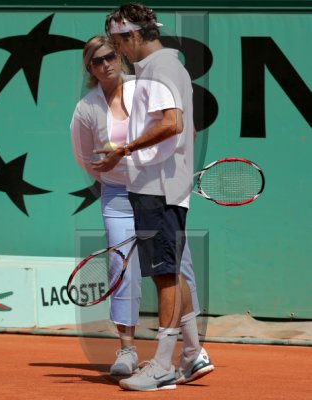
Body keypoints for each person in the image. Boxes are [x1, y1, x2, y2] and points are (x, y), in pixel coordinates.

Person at [91, 3, 214, 391]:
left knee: (164, 275)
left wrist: (125, 150)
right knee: (172, 270)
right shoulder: (163, 69)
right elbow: (185, 130)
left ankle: (162, 364)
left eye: (117, 42)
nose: (117, 50)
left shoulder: (160, 69)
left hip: (157, 189)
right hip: (158, 184)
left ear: (132, 35)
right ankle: (192, 354)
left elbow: (173, 123)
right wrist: (171, 164)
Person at [70, 34, 202, 378]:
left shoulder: (147, 87)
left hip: (158, 191)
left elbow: (180, 126)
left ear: (120, 56)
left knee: (177, 267)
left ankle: (192, 350)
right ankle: (127, 350)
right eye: (96, 61)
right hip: (117, 195)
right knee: (121, 268)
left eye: (110, 56)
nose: (105, 64)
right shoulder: (87, 108)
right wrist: (114, 176)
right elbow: (84, 155)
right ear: (90, 69)